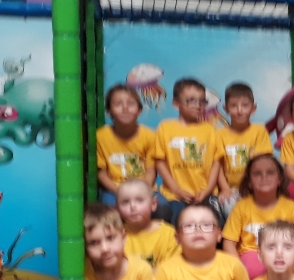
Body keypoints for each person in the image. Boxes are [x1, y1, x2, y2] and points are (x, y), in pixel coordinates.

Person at [222, 154, 294, 280]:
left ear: (280, 180)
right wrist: (239, 269)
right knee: (253, 266)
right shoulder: (241, 207)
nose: (264, 177)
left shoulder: (291, 207)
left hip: (282, 253)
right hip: (252, 255)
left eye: (270, 173)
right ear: (249, 182)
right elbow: (229, 242)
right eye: (257, 173)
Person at [154, 78, 220, 224]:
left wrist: (208, 190)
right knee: (177, 223)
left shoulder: (209, 129)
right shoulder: (165, 128)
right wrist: (176, 190)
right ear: (176, 103)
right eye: (191, 101)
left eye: (202, 101)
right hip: (174, 196)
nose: (198, 105)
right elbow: (160, 162)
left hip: (205, 195)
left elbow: (216, 162)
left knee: (210, 223)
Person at [215, 83, 274, 218]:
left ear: (253, 109)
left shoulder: (259, 131)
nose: (239, 110)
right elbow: (218, 167)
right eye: (234, 106)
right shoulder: (219, 135)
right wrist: (225, 189)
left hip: (256, 187)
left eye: (245, 105)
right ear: (226, 108)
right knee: (229, 205)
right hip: (232, 190)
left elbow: (263, 163)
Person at [97, 84, 158, 206]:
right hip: (114, 189)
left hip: (144, 187)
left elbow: (151, 170)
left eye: (130, 104)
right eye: (118, 104)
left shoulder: (150, 136)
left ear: (139, 110)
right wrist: (119, 191)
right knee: (110, 210)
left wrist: (143, 190)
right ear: (108, 111)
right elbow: (101, 173)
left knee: (162, 208)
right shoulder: (100, 137)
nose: (125, 108)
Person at [117, 179, 180, 269]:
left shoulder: (169, 234)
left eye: (139, 200)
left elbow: (173, 268)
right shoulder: (117, 235)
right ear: (118, 209)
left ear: (153, 204)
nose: (132, 206)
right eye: (125, 202)